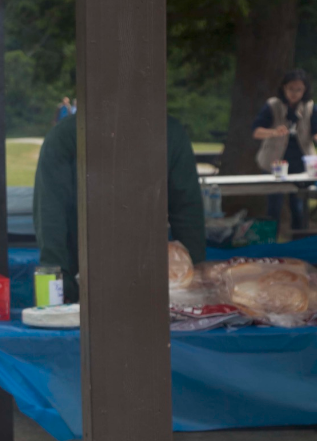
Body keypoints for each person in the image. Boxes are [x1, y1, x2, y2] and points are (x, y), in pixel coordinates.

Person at [33, 113, 205, 302]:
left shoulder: (168, 132)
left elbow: (187, 210)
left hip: (156, 284)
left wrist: (196, 278)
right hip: (81, 282)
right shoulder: (67, 136)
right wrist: (61, 288)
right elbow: (50, 216)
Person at [252, 68, 317, 230]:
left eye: (299, 90)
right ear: (284, 88)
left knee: (299, 206)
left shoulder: (310, 108)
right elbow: (256, 131)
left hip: (301, 164)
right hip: (275, 162)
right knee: (274, 205)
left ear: (305, 90)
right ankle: (271, 242)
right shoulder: (272, 105)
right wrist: (274, 132)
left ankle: (298, 242)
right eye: (291, 89)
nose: (294, 93)